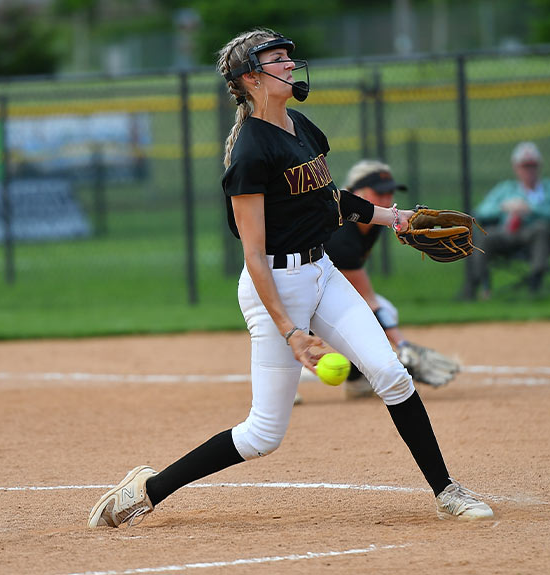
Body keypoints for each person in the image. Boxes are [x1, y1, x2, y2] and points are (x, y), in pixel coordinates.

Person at [87, 28, 493, 528]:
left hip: (322, 273)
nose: (288, 66)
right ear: (250, 78)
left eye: (287, 58)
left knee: (391, 374)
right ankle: (147, 490)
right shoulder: (250, 154)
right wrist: (290, 331)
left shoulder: (300, 126)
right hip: (275, 288)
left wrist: (395, 218)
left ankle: (446, 490)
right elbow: (254, 255)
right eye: (276, 60)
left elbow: (329, 199)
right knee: (263, 435)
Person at [322, 159, 461, 399]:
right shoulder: (341, 234)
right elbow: (368, 299)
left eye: (390, 193)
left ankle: (356, 379)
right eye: (380, 193)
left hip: (322, 291)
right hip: (290, 293)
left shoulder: (371, 224)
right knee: (375, 313)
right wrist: (403, 346)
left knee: (386, 311)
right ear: (356, 193)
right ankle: (278, 386)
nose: (387, 200)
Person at [461, 141, 550, 299]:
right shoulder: (506, 189)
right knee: (486, 237)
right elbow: (480, 211)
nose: (529, 170)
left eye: (532, 165)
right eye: (524, 166)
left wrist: (531, 209)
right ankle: (473, 287)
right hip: (508, 233)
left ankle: (535, 284)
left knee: (540, 230)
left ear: (539, 166)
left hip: (538, 235)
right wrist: (504, 207)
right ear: (516, 167)